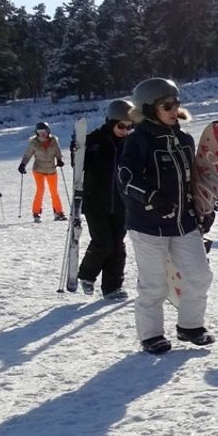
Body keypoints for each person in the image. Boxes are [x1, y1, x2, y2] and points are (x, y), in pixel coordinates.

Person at [119, 77, 215, 355]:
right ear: (149, 109)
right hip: (147, 225)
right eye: (167, 106)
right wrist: (150, 196)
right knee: (154, 284)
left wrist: (203, 208)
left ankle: (190, 326)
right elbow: (126, 177)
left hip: (183, 221)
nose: (175, 110)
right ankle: (151, 336)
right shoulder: (139, 140)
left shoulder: (183, 139)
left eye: (177, 104)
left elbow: (193, 180)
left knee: (199, 274)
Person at [76, 99, 132, 299]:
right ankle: (86, 275)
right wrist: (78, 147)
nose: (125, 130)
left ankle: (112, 287)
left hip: (121, 203)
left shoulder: (130, 144)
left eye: (129, 126)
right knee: (103, 243)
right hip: (95, 203)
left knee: (118, 246)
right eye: (121, 126)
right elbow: (78, 161)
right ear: (111, 122)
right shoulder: (96, 141)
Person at [18, 121, 67, 222]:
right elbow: (28, 155)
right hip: (38, 170)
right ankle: (36, 212)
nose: (42, 133)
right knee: (40, 190)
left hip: (51, 169)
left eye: (44, 131)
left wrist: (59, 160)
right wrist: (23, 164)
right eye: (39, 132)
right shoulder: (33, 143)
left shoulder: (54, 140)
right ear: (37, 132)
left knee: (54, 192)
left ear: (48, 131)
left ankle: (58, 212)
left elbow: (58, 153)